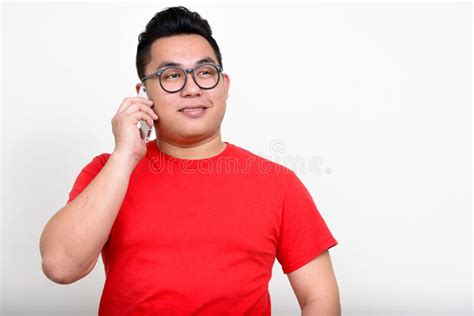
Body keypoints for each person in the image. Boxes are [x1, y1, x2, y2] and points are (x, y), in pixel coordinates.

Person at [39, 6, 341, 315]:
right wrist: (124, 155)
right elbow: (60, 267)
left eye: (205, 72)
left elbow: (320, 299)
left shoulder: (279, 184)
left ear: (225, 85)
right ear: (143, 93)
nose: (192, 88)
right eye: (171, 76)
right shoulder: (109, 171)